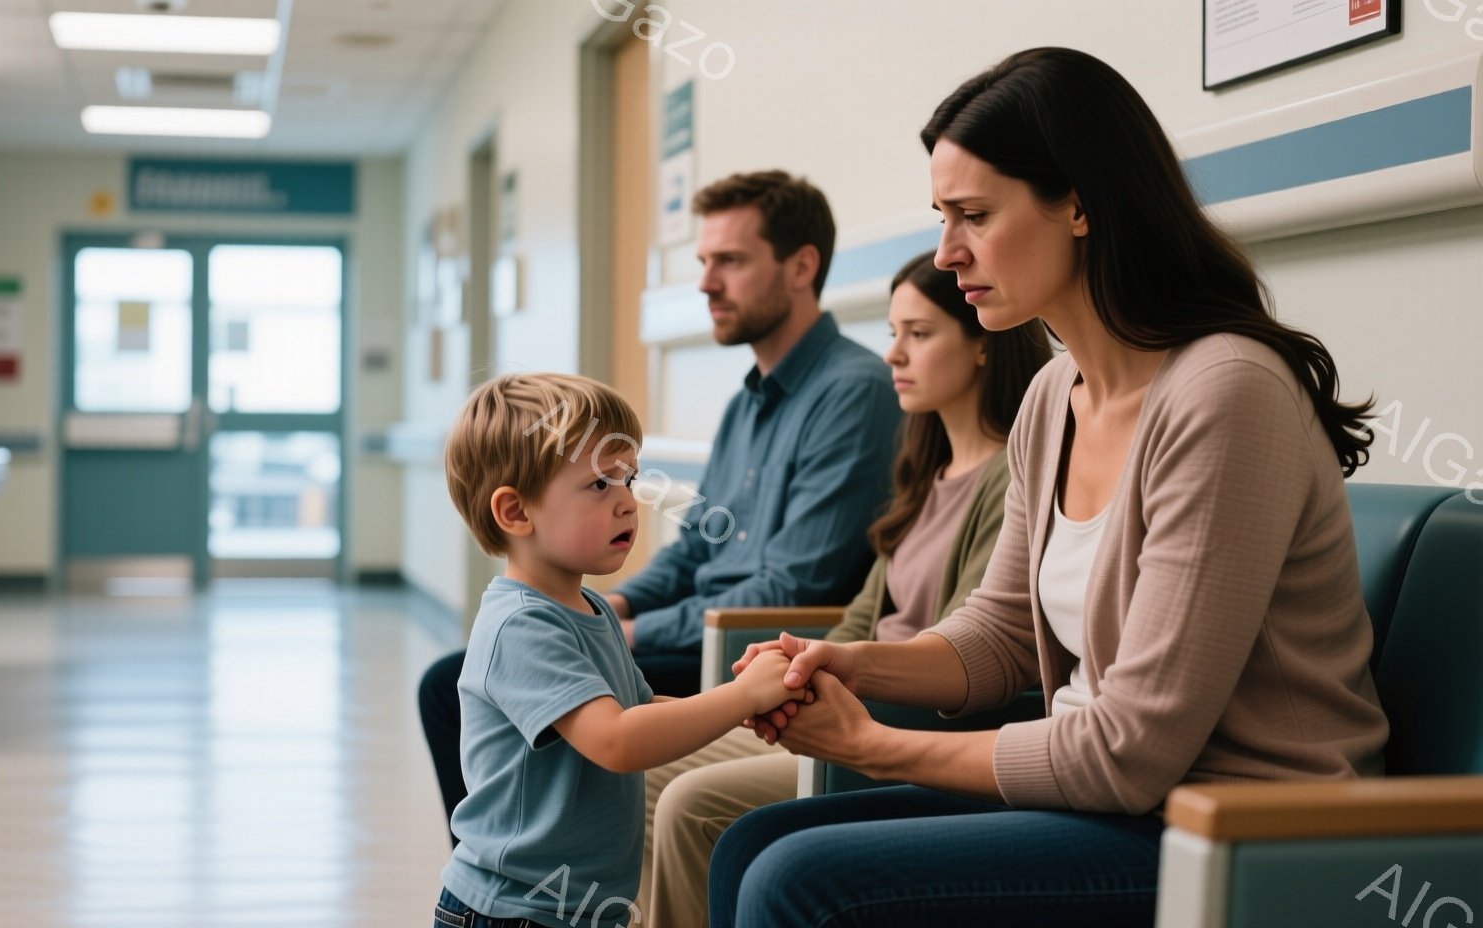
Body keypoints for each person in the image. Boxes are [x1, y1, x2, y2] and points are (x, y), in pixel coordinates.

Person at [710, 47, 1390, 928]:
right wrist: (851, 662)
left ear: (1079, 204)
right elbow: (1000, 635)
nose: (948, 252)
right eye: (943, 217)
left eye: (975, 216)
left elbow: (1129, 752)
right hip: (1125, 806)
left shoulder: (1226, 392)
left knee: (797, 879)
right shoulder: (1050, 395)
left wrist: (872, 745)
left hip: (1241, 826)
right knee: (748, 845)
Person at [419, 170, 900, 844]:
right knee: (460, 679)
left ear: (801, 267)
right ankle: (515, 863)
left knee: (450, 683)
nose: (705, 283)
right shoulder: (747, 402)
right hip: (692, 629)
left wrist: (634, 631)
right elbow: (698, 545)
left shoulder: (855, 392)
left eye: (729, 261)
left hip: (742, 641)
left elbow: (797, 583)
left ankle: (522, 864)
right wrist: (612, 607)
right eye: (703, 262)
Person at [636, 252, 1051, 928]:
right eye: (893, 333)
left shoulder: (1008, 478)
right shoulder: (926, 471)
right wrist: (791, 675)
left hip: (896, 720)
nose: (893, 355)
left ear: (982, 343)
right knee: (638, 767)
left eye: (919, 334)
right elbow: (858, 623)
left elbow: (969, 649)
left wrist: (809, 689)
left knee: (686, 800)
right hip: (849, 696)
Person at [434, 372, 811, 928]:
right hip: (512, 911)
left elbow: (640, 710)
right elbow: (616, 740)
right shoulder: (521, 627)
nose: (628, 504)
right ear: (515, 512)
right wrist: (740, 696)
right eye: (600, 485)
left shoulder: (591, 607)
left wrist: (741, 711)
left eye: (629, 480)